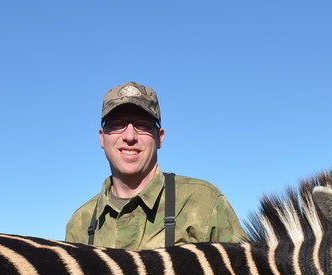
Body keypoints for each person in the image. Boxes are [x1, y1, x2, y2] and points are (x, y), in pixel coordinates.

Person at [66, 81, 246, 249]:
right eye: (117, 124)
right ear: (102, 137)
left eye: (142, 125)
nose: (130, 136)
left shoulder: (203, 202)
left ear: (159, 137)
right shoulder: (81, 222)